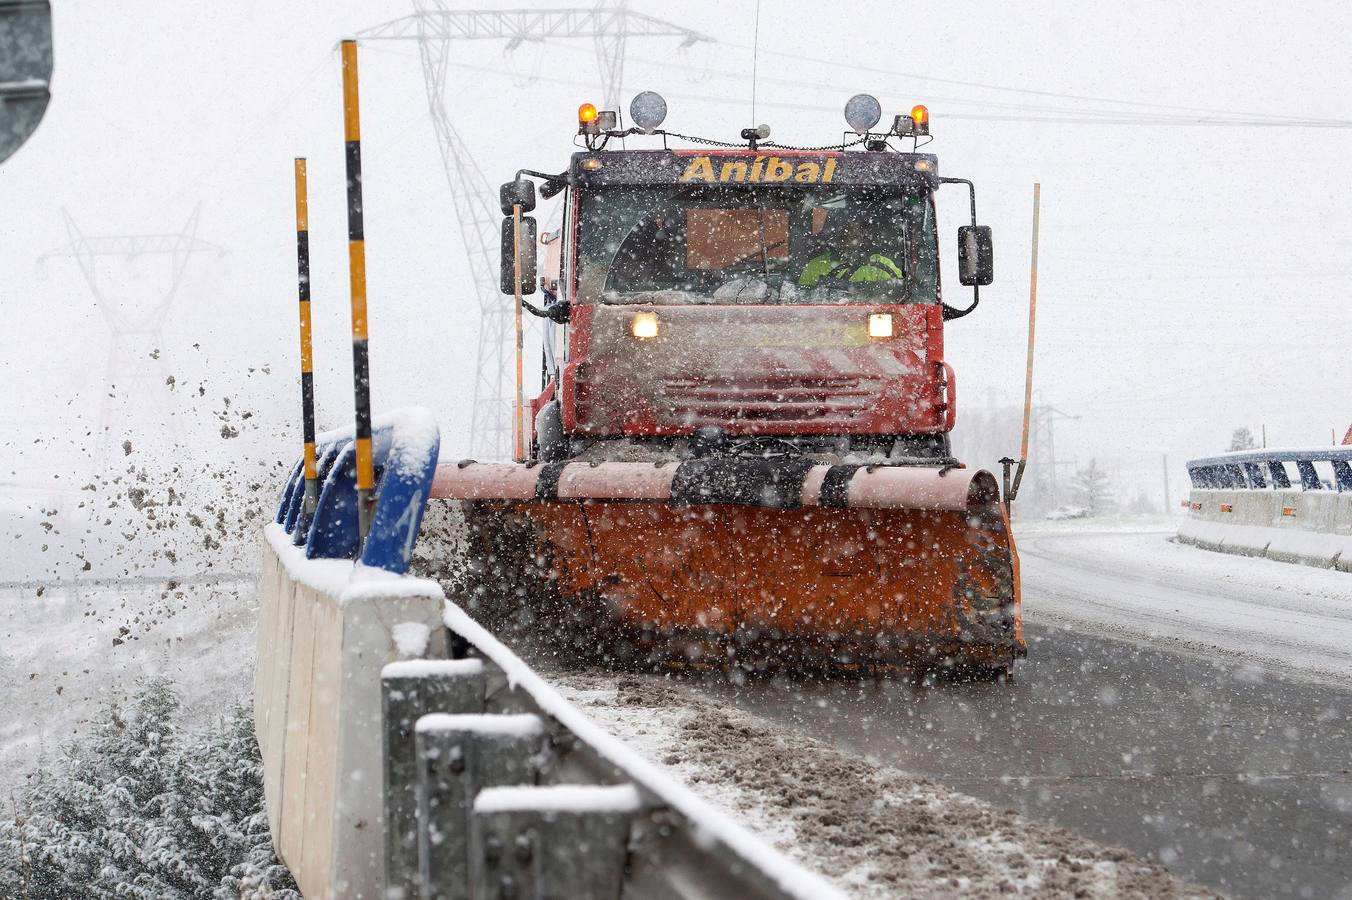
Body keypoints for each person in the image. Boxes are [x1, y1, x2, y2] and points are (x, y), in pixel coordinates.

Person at [798, 214, 904, 288]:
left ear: (862, 237)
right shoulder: (815, 266)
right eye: (843, 236)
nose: (848, 242)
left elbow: (899, 292)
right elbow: (803, 302)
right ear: (834, 238)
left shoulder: (883, 264)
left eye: (854, 236)